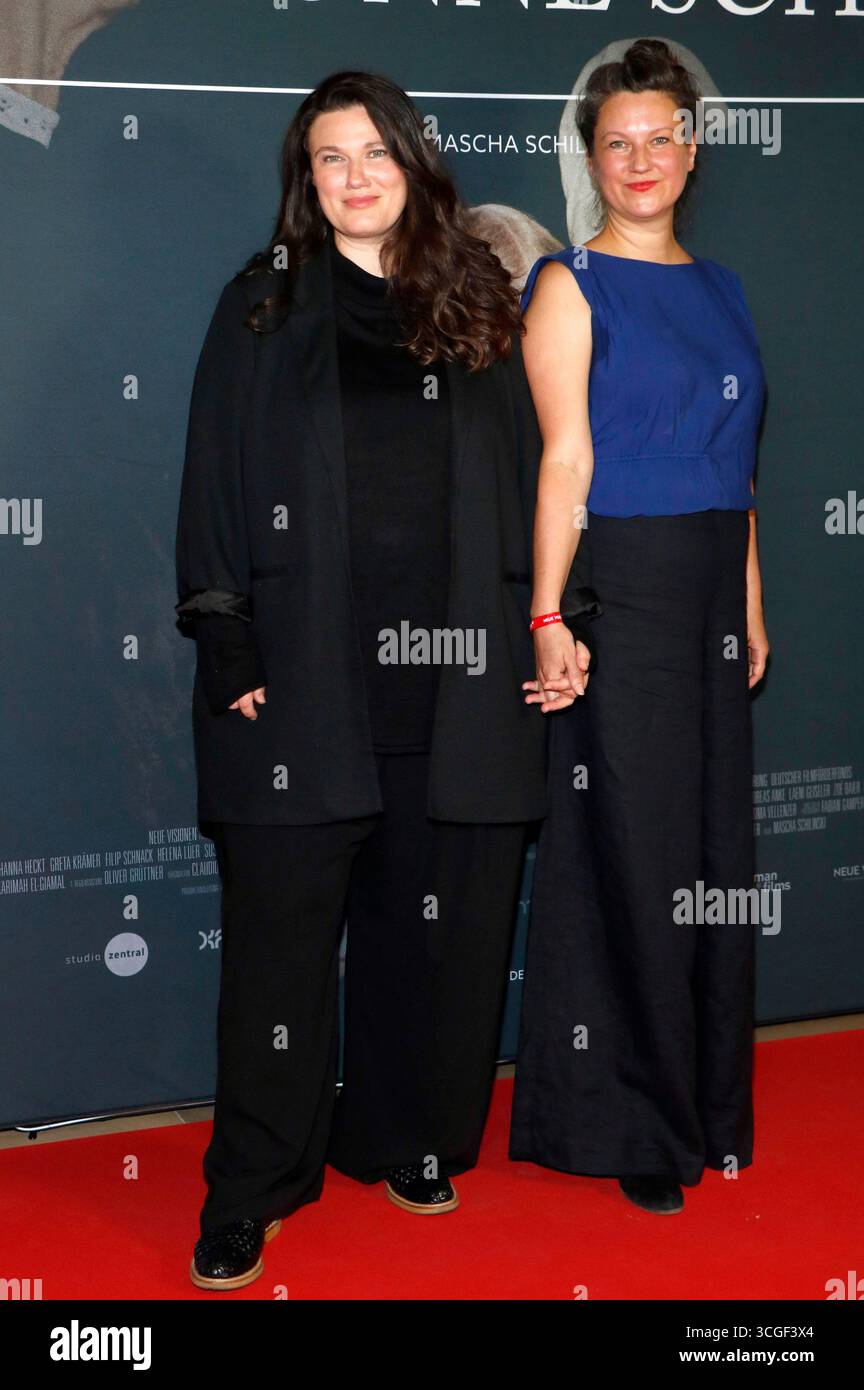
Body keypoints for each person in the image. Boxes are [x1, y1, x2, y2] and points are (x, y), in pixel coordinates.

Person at [174, 69, 548, 1290]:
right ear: (306, 177)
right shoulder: (262, 307)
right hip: (304, 692)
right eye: (329, 158)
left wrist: (556, 616)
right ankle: (254, 1186)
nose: (354, 176)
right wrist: (228, 641)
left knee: (427, 941)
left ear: (411, 159)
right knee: (279, 958)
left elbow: (537, 477)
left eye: (373, 151)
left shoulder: (479, 299)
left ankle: (407, 1138)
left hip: (454, 688)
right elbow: (214, 488)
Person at [508, 39, 769, 1215]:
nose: (640, 158)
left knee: (711, 855)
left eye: (661, 135)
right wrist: (548, 613)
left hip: (715, 586)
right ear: (593, 158)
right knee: (639, 858)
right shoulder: (571, 284)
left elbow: (741, 467)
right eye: (617, 141)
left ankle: (710, 1104)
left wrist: (752, 599)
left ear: (693, 147)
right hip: (628, 585)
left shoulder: (722, 289)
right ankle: (635, 1124)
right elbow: (563, 460)